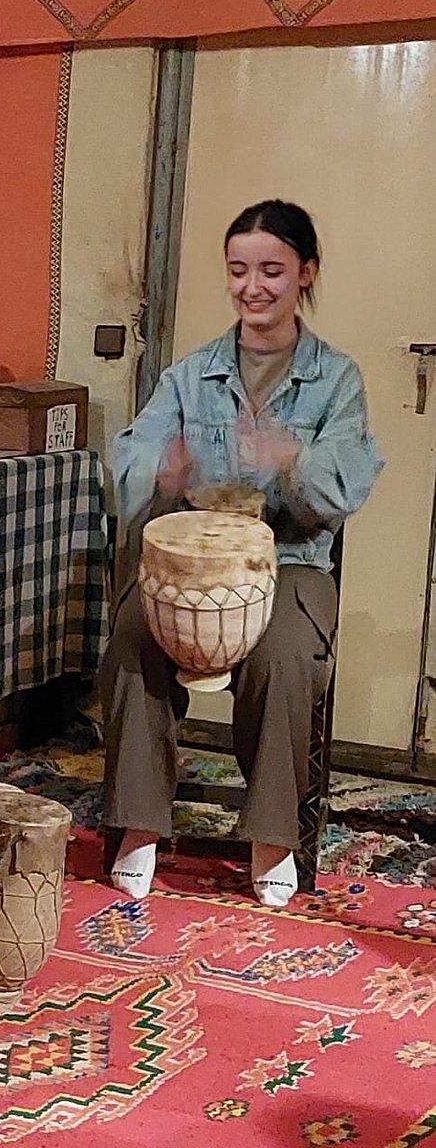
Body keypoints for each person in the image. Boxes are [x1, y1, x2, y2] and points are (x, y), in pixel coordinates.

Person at [101, 199, 384, 907]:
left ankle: (271, 837)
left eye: (271, 271)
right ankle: (139, 825)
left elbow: (348, 480)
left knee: (283, 650)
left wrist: (293, 460)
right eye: (238, 271)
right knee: (135, 631)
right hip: (193, 565)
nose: (252, 287)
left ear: (304, 274)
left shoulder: (335, 378)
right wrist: (159, 474)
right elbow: (132, 452)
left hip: (291, 561)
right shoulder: (191, 374)